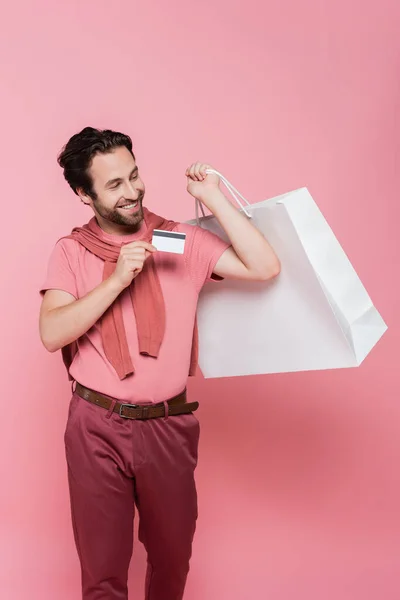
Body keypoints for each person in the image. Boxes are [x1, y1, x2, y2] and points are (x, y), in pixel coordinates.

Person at [39, 126, 280, 600]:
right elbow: (52, 333)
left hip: (167, 424)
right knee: (103, 572)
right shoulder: (70, 252)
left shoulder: (175, 242)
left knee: (172, 562)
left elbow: (263, 267)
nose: (132, 193)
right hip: (95, 425)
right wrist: (115, 282)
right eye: (114, 185)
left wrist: (212, 198)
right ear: (84, 194)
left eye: (134, 176)